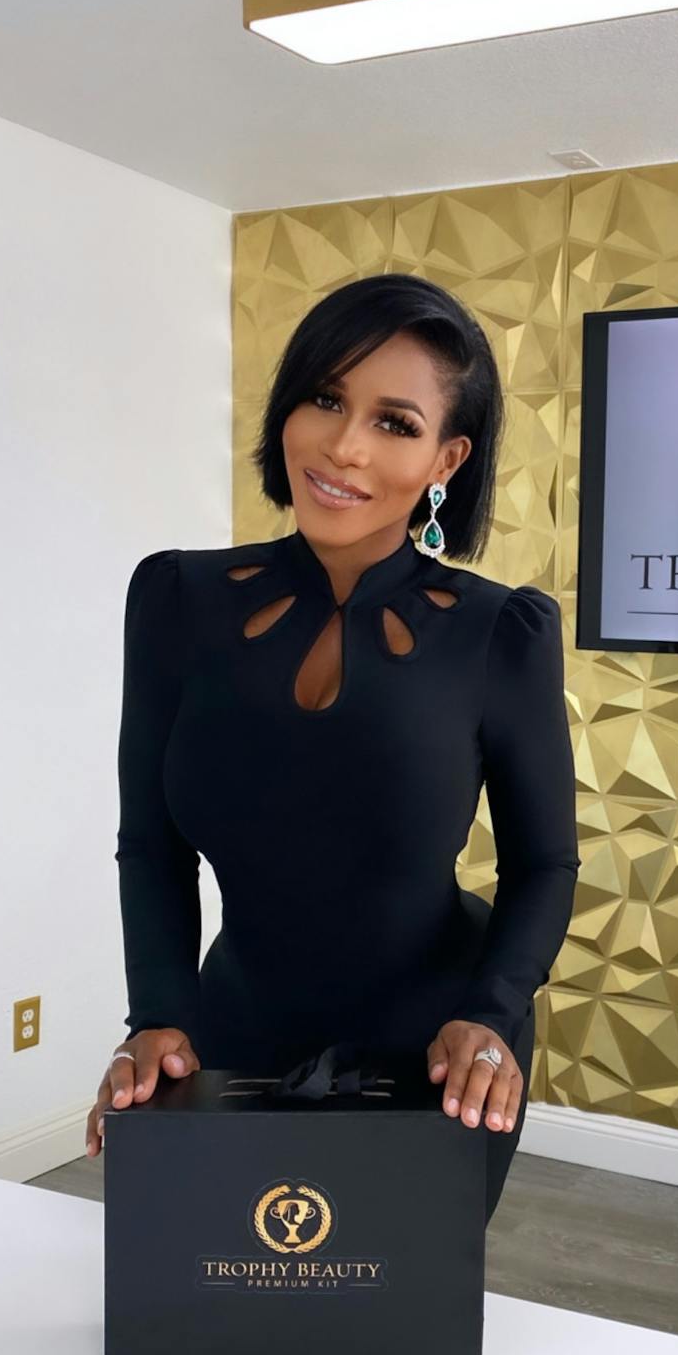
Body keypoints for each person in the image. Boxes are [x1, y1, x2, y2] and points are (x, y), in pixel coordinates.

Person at [85, 272, 580, 1223]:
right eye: (325, 398)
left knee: (396, 1304)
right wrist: (158, 1017)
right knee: (209, 1288)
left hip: (441, 1049)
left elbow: (544, 862)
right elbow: (151, 842)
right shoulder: (176, 601)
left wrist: (491, 1013)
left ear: (446, 458)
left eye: (395, 422)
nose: (345, 446)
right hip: (228, 1030)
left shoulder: (500, 632)